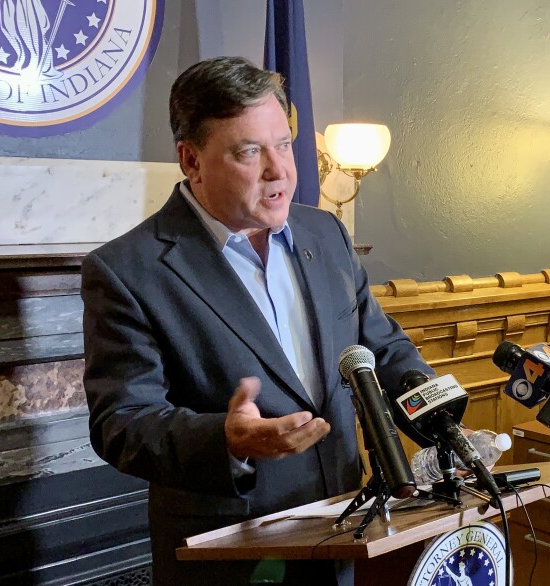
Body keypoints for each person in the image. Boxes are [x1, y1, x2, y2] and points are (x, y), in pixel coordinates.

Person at [81, 56, 433, 586]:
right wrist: (226, 439)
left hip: (344, 525)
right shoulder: (127, 270)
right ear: (191, 160)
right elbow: (122, 425)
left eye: (284, 145)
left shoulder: (325, 234)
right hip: (231, 550)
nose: (280, 171)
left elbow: (381, 348)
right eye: (250, 152)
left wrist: (437, 414)